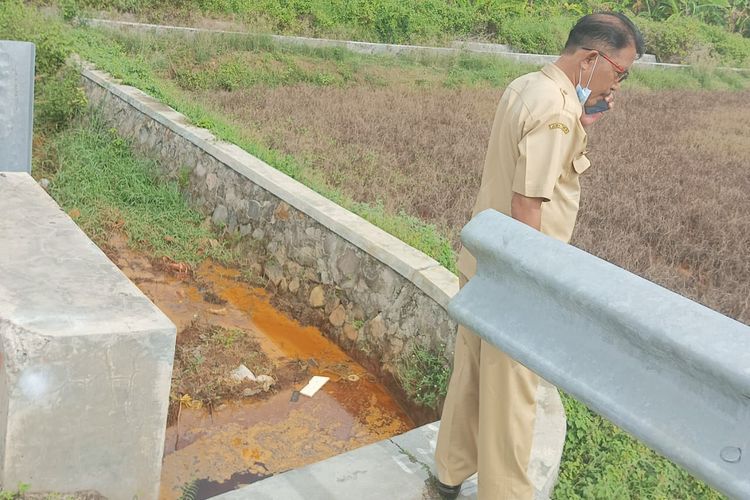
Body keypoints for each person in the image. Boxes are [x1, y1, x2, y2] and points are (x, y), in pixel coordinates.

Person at [434, 12, 645, 500]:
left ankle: (449, 471)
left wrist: (583, 118)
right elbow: (527, 202)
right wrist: (528, 290)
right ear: (592, 59)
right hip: (513, 277)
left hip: (482, 261)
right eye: (621, 71)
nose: (620, 83)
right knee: (513, 397)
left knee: (470, 374)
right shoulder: (554, 111)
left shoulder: (530, 85)